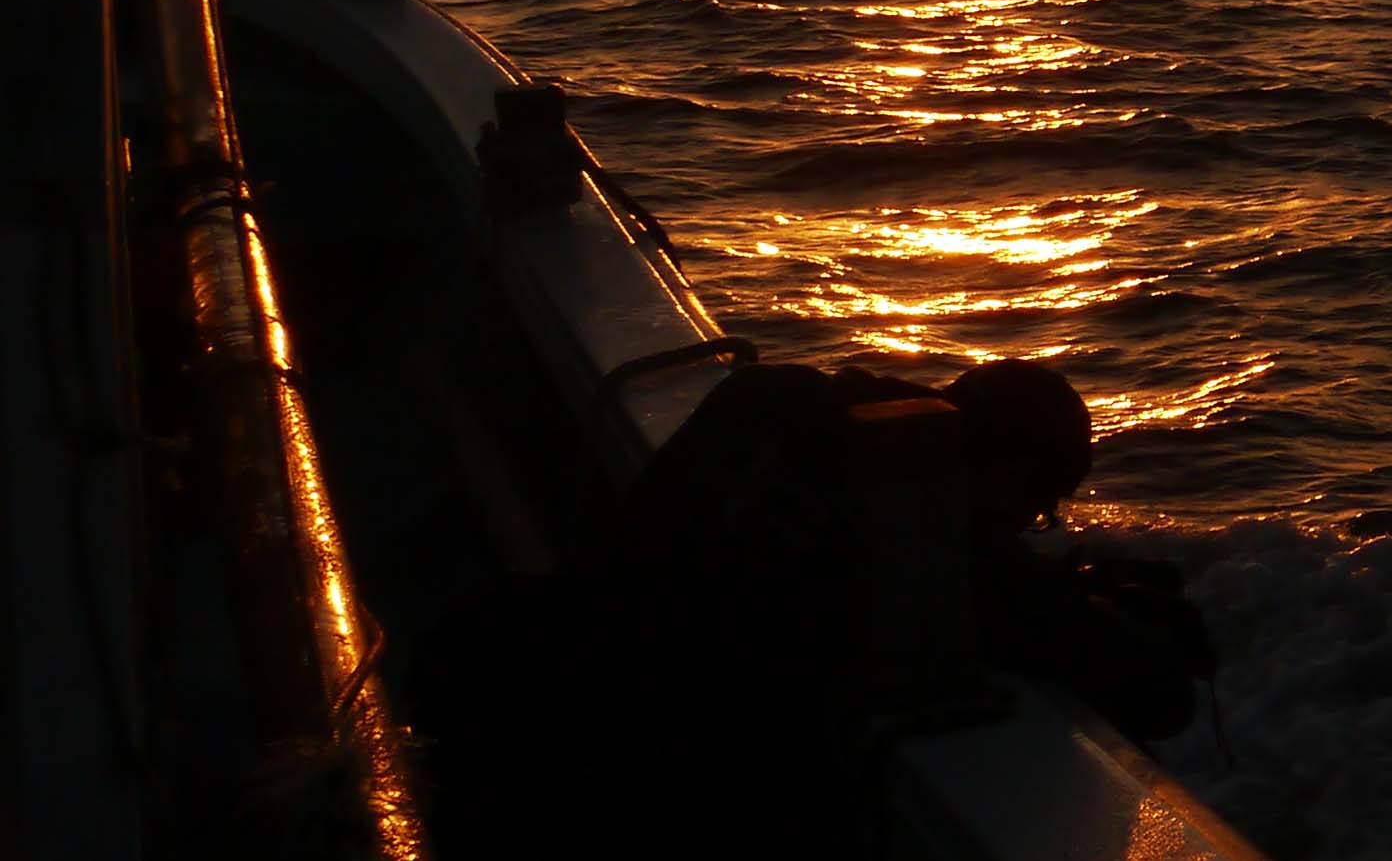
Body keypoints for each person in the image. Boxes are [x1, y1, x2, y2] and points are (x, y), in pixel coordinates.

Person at [409, 356, 1211, 856]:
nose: (1027, 525)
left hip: (501, 662)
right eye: (1036, 507)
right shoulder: (930, 544)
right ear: (1008, 473)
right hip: (610, 773)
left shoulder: (770, 397)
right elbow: (1157, 695)